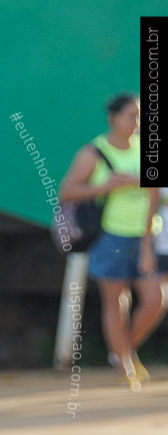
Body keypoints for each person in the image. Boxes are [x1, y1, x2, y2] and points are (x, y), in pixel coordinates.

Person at [59, 93, 165, 389]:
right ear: (114, 118)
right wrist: (106, 185)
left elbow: (155, 196)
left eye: (140, 115)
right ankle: (124, 365)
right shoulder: (93, 152)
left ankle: (122, 352)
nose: (137, 122)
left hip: (145, 236)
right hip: (110, 237)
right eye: (131, 115)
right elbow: (66, 191)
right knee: (117, 302)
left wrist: (146, 245)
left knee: (156, 299)